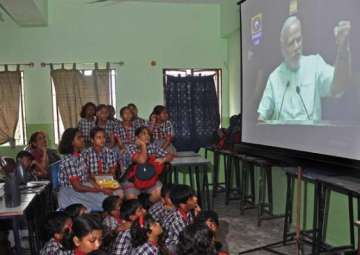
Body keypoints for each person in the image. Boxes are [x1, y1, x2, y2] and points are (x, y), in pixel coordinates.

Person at [257, 16, 351, 121]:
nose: (296, 46)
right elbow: (262, 117)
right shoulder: (274, 79)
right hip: (281, 136)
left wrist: (342, 50)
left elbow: (338, 86)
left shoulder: (315, 64)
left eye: (299, 40)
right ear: (283, 48)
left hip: (312, 136)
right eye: (291, 43)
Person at [58, 128, 113, 211]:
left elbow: (88, 178)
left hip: (84, 187)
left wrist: (100, 188)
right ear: (72, 142)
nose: (83, 139)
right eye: (79, 138)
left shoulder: (80, 156)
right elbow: (78, 187)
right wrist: (99, 190)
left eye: (82, 136)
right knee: (107, 202)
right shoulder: (68, 161)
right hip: (72, 193)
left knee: (110, 196)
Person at [121, 126, 173, 201]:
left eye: (148, 134)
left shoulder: (152, 147)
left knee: (160, 192)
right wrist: (143, 145)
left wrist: (163, 159)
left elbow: (170, 155)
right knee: (131, 198)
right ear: (137, 137)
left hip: (149, 179)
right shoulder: (130, 148)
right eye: (144, 134)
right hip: (131, 180)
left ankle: (147, 207)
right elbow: (142, 160)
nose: (147, 136)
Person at [163, 184, 201, 251]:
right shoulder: (175, 222)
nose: (196, 198)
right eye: (191, 198)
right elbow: (189, 241)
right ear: (182, 205)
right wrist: (197, 220)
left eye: (194, 195)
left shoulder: (189, 211)